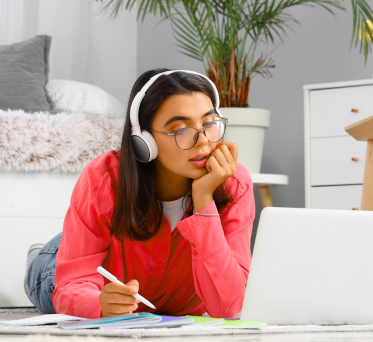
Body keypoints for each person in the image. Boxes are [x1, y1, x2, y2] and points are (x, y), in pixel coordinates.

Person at [24, 68, 255, 319]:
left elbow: (229, 306)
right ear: (144, 142)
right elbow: (71, 286)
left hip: (154, 290)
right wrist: (99, 304)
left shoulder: (234, 183)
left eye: (209, 123)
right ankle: (44, 253)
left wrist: (204, 201)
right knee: (51, 279)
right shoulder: (103, 179)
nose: (203, 141)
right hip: (64, 267)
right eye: (180, 130)